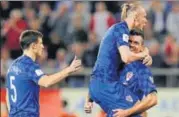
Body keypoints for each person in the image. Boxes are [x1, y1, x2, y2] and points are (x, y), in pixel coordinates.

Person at [85, 2, 152, 117]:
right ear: (135, 16)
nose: (146, 21)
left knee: (138, 110)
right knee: (135, 113)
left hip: (103, 85)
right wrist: (144, 53)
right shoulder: (120, 29)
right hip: (105, 85)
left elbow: (102, 65)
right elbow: (126, 57)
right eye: (144, 16)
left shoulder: (122, 33)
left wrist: (146, 57)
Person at [6, 30, 82, 117]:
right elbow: (46, 82)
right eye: (40, 43)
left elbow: (8, 95)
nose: (43, 47)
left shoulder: (12, 66)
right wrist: (69, 70)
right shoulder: (29, 65)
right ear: (33, 46)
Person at [113, 29, 158, 117]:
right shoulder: (116, 62)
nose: (132, 45)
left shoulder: (141, 70)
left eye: (136, 43)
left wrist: (127, 112)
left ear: (142, 47)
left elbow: (153, 99)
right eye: (130, 41)